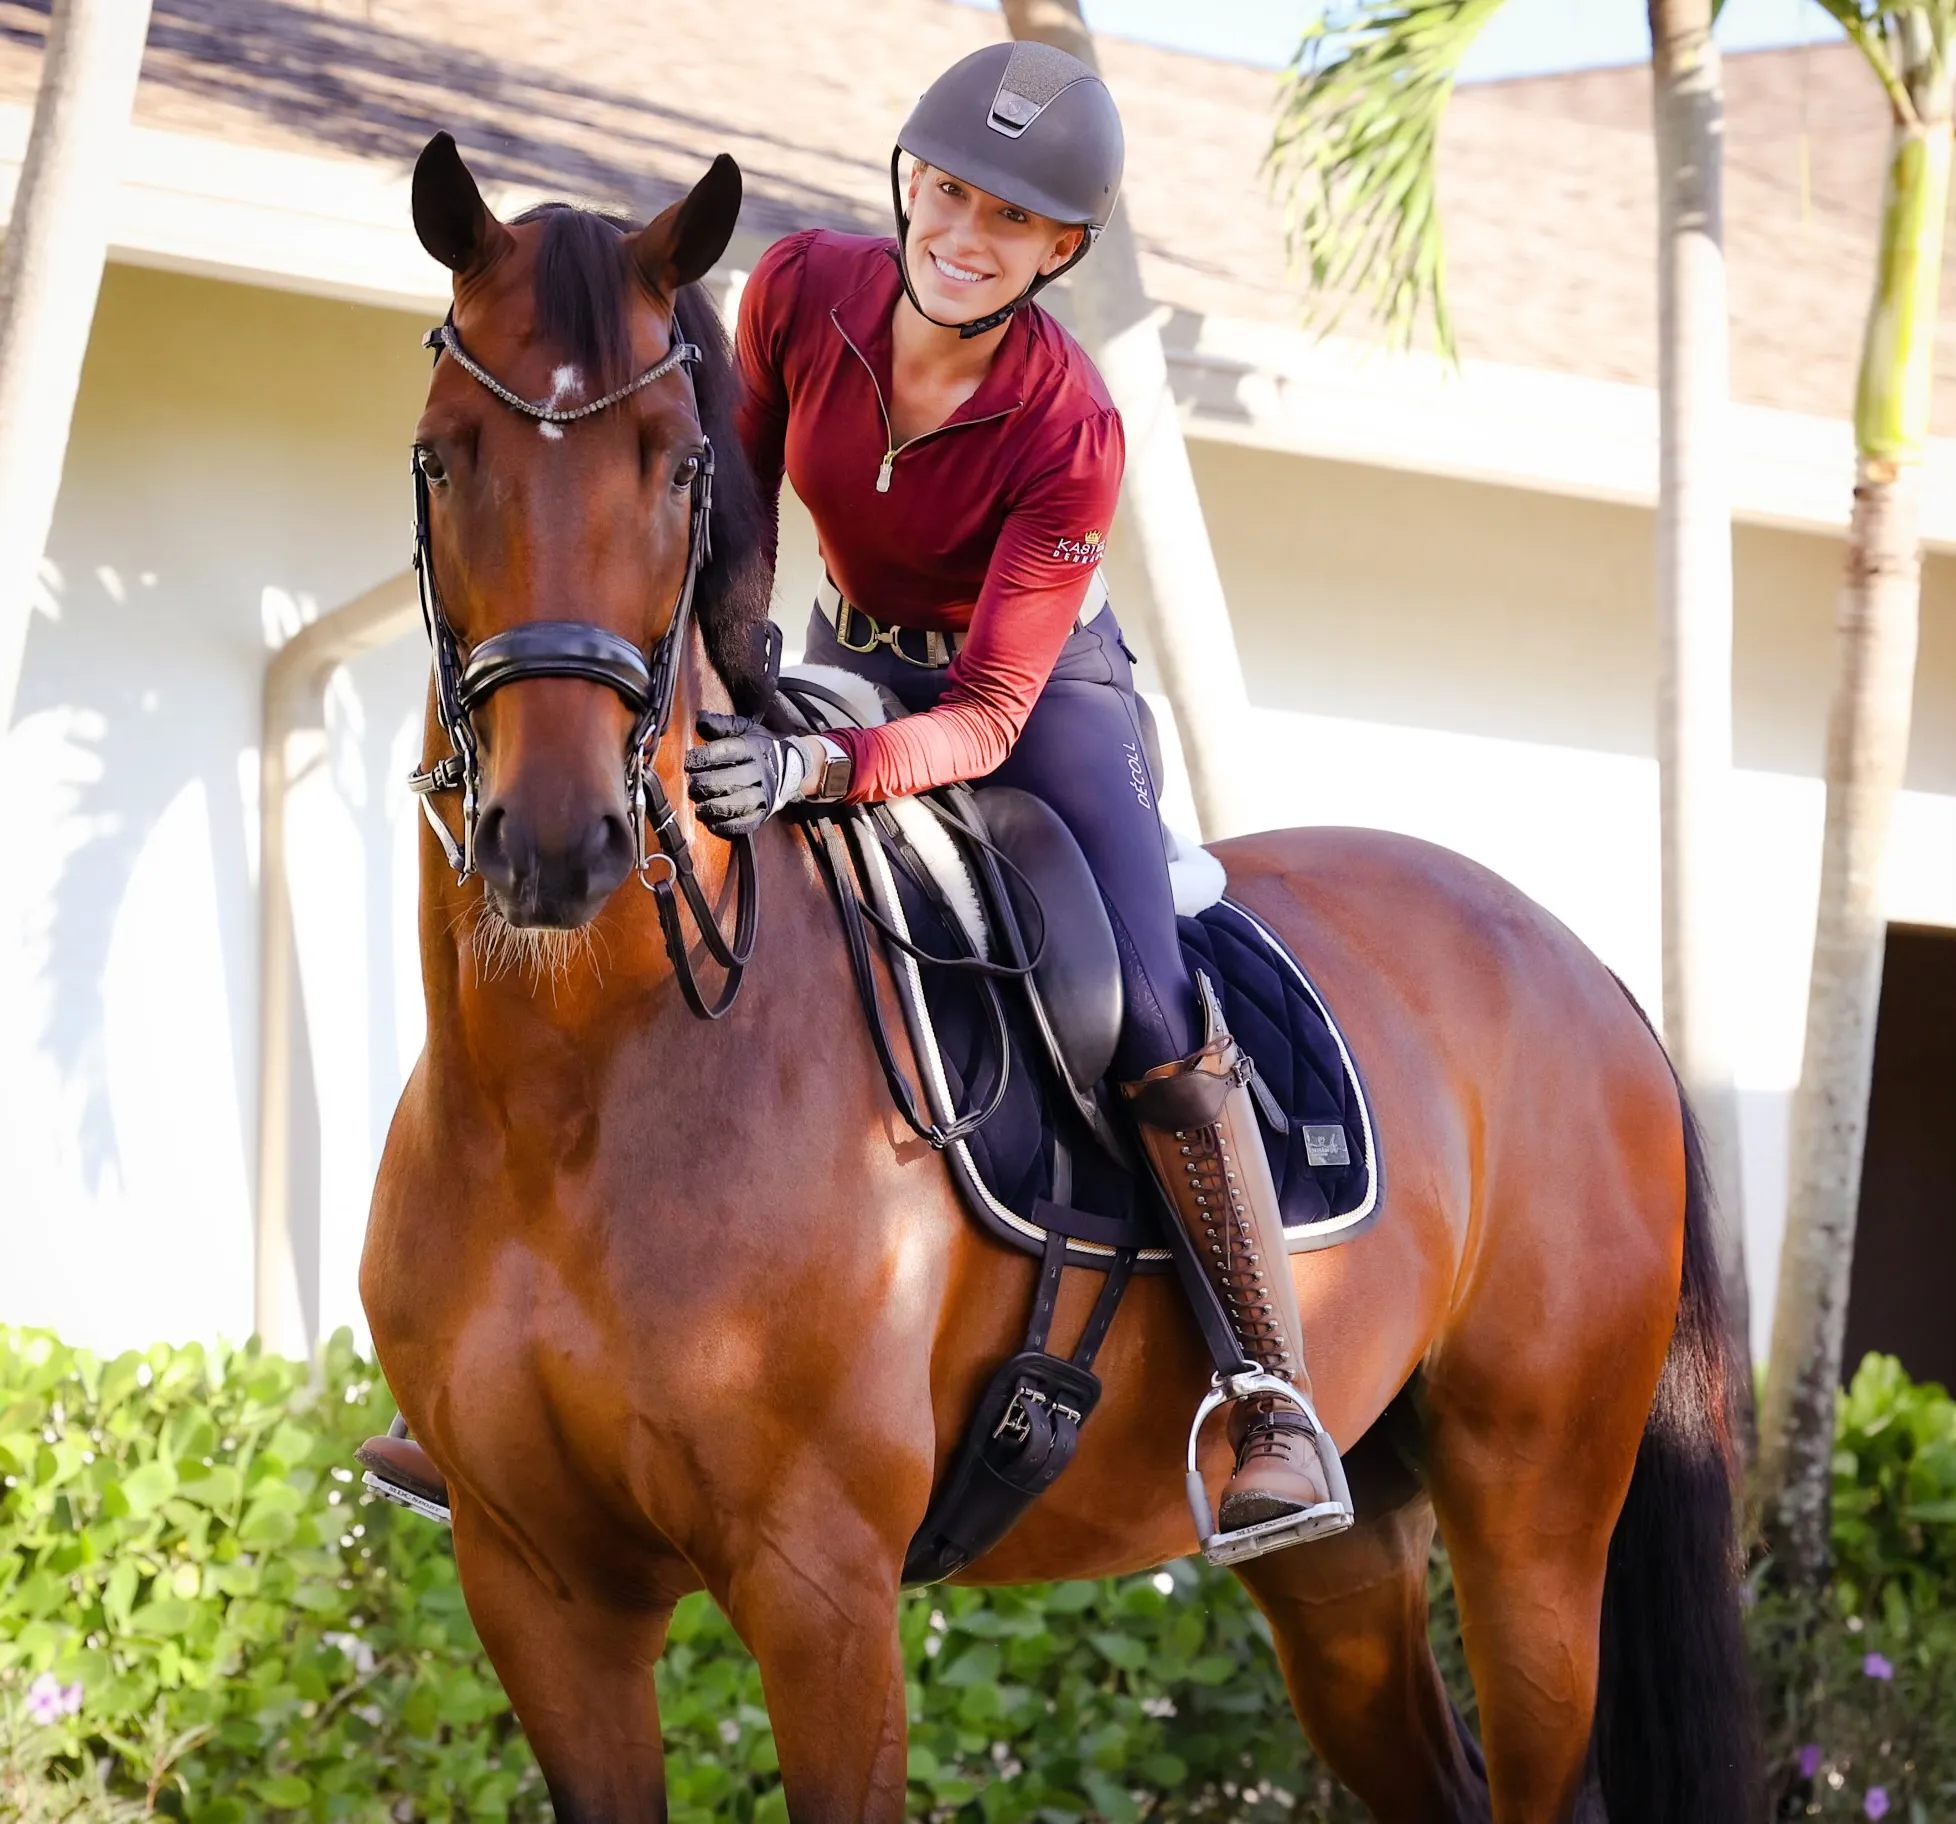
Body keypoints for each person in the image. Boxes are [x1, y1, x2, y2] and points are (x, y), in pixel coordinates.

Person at [682, 41, 1348, 1553]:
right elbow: (743, 511)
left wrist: (817, 765)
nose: (958, 235)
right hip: (844, 657)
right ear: (909, 177)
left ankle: (1271, 1396)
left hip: (1038, 712)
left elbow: (983, 715)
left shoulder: (1071, 425)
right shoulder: (794, 289)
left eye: (1006, 222)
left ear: (1061, 251)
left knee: (1143, 1003)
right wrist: (739, 672)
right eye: (947, 191)